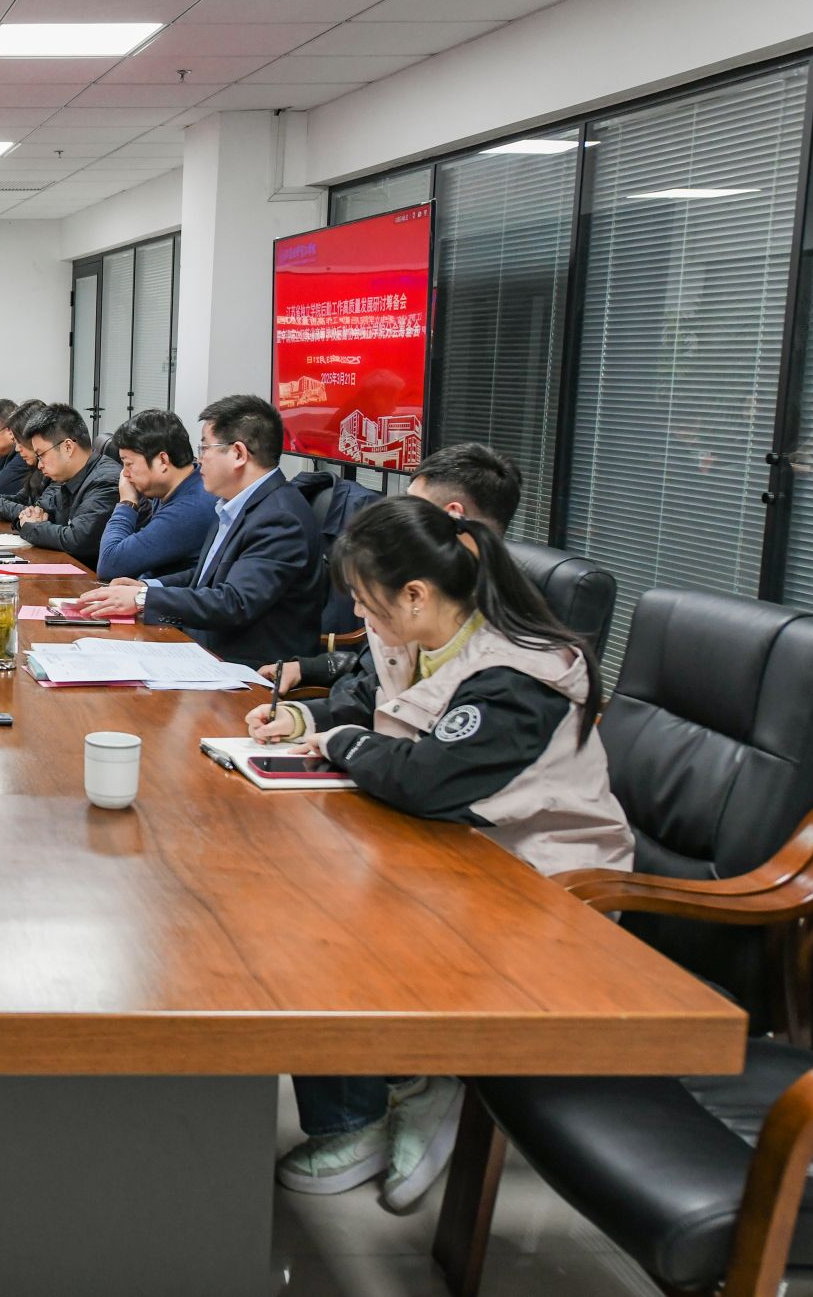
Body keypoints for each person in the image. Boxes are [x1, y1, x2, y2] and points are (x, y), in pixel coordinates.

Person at [245, 495, 632, 1209]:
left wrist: (340, 742)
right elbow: (373, 701)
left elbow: (425, 778)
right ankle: (364, 1106)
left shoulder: (519, 674)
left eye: (366, 600)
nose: (358, 615)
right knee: (291, 889)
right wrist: (304, 716)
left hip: (541, 880)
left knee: (318, 919)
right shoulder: (424, 636)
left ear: (416, 594)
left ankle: (426, 1081)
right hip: (453, 845)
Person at [73, 394, 322, 667]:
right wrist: (148, 587)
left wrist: (144, 598)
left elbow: (234, 602)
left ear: (238, 454)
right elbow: (207, 576)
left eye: (205, 448)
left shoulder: (279, 518)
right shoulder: (233, 503)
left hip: (245, 668)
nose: (199, 460)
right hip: (201, 648)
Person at [264, 442, 526, 695]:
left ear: (452, 515)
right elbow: (376, 676)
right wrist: (308, 688)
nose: (401, 513)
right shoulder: (426, 578)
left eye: (412, 503)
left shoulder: (494, 644)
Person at [95, 409, 213, 583]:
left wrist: (127, 502)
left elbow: (109, 564)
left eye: (129, 464)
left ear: (163, 461)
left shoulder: (190, 508)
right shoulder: (168, 488)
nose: (125, 474)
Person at [0, 403, 119, 565]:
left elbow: (77, 540)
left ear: (68, 447)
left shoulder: (105, 481)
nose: (39, 465)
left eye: (41, 455)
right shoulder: (72, 476)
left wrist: (29, 526)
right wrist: (25, 519)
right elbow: (41, 510)